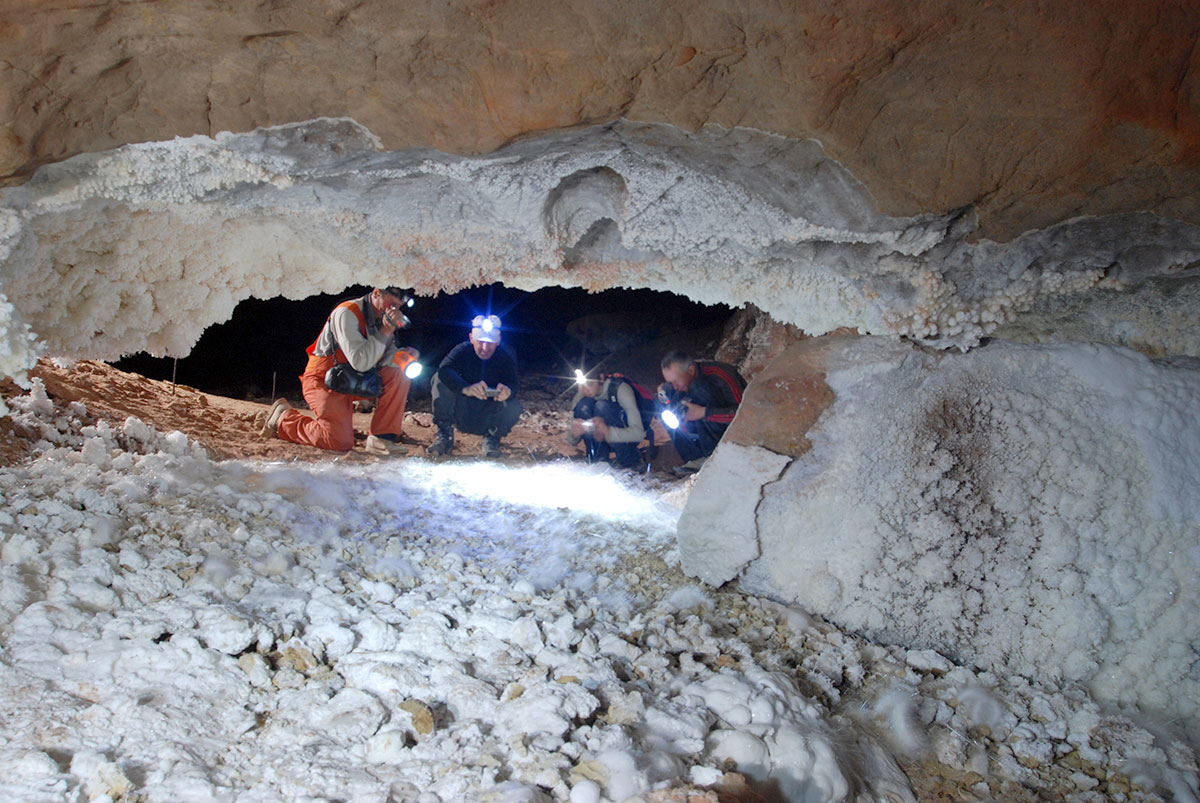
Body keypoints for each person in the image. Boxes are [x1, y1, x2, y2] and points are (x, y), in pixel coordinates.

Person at [258, 286, 417, 455]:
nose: (394, 310)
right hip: (325, 379)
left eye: (398, 307)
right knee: (339, 441)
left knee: (399, 373)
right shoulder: (347, 313)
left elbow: (383, 356)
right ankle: (284, 419)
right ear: (377, 293)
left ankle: (381, 438)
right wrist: (385, 331)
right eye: (391, 304)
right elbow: (361, 362)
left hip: (354, 380)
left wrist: (403, 354)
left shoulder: (382, 320)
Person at [427, 314, 522, 458]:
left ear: (498, 341)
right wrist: (466, 388)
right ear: (471, 338)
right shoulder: (462, 350)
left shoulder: (506, 355)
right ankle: (445, 435)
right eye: (481, 341)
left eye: (490, 342)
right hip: (461, 412)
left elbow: (514, 383)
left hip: (486, 414)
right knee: (438, 379)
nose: (485, 347)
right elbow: (444, 371)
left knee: (515, 404)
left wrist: (507, 391)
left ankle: (492, 438)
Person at [657, 350, 747, 475]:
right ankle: (695, 458)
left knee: (699, 388)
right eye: (670, 382)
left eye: (675, 382)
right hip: (705, 429)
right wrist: (665, 397)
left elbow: (745, 414)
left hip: (736, 433)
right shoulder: (680, 383)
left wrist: (704, 413)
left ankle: (714, 455)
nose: (675, 386)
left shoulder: (720, 375)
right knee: (669, 411)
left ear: (691, 370)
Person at [566, 372, 657, 470]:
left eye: (590, 384)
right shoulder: (581, 398)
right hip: (602, 439)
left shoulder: (621, 389)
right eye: (581, 386)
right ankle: (598, 460)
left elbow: (638, 434)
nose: (585, 390)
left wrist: (608, 431)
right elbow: (572, 440)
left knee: (602, 407)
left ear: (601, 378)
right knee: (584, 405)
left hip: (625, 437)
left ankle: (631, 460)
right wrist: (575, 432)